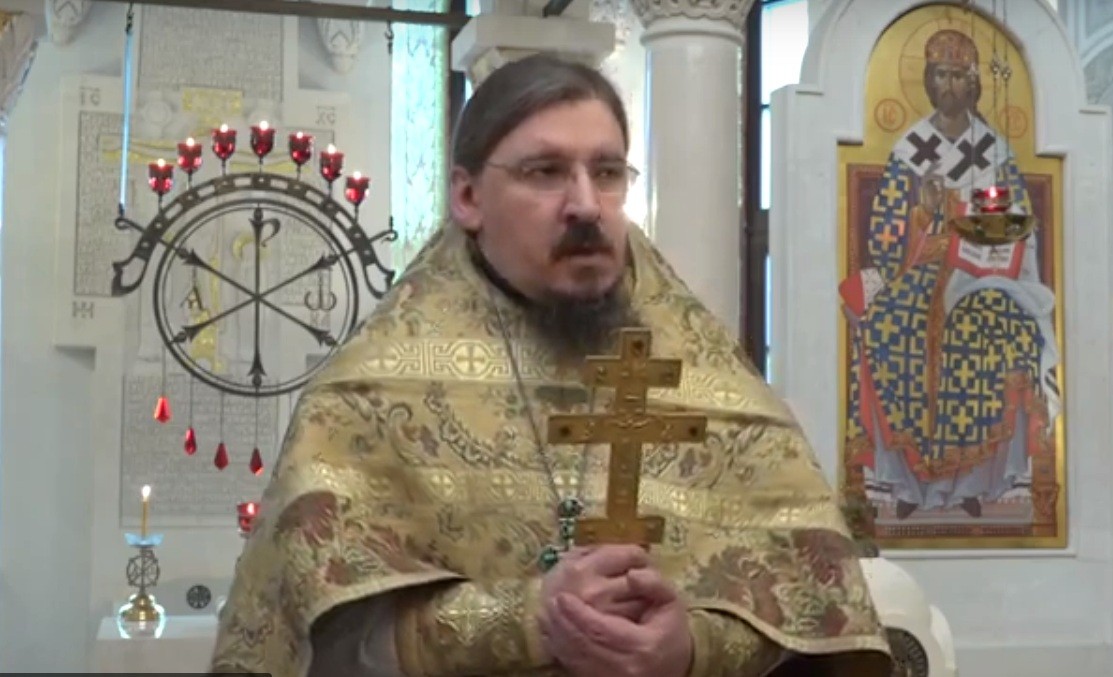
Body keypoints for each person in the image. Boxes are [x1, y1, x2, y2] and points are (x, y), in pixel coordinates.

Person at [210, 54, 892, 676]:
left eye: (607, 172)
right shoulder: (366, 396)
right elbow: (321, 642)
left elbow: (812, 620)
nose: (586, 205)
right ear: (467, 198)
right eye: (545, 172)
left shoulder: (716, 387)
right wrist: (527, 620)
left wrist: (691, 648)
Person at [839, 29, 1059, 521]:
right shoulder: (909, 150)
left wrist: (984, 243)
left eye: (960, 75)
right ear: (928, 80)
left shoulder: (994, 151)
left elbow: (1014, 224)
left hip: (981, 273)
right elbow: (884, 235)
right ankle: (908, 484)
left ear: (974, 84)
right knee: (890, 324)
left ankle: (972, 483)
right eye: (941, 74)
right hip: (920, 268)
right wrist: (923, 213)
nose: (951, 85)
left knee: (995, 324)